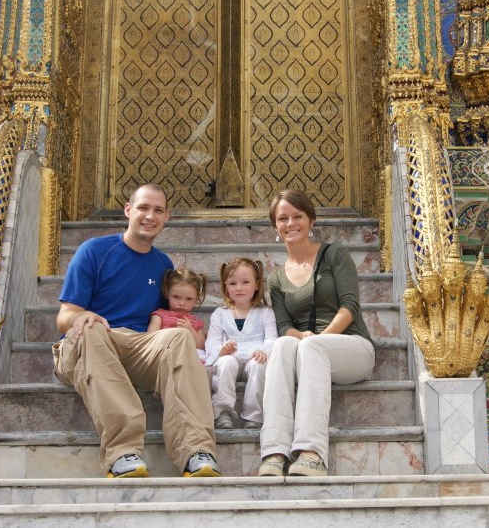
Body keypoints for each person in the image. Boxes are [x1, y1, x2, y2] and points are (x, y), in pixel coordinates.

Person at [53, 183, 221, 479]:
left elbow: (168, 318)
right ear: (128, 210)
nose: (150, 216)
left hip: (137, 345)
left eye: (158, 210)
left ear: (167, 217)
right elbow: (64, 317)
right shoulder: (95, 250)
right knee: (92, 328)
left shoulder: (163, 264)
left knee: (179, 336)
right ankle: (122, 453)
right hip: (89, 343)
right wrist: (83, 315)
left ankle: (196, 451)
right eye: (143, 208)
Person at [258, 189, 375, 477]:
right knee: (282, 345)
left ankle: (311, 453)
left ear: (311, 220)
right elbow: (284, 326)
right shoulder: (276, 278)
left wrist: (318, 339)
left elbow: (350, 306)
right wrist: (303, 339)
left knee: (311, 347)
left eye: (297, 216)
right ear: (275, 225)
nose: (290, 223)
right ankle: (274, 452)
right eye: (282, 218)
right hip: (308, 351)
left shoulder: (334, 253)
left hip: (351, 347)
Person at [205, 258, 278, 429]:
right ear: (225, 286)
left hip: (254, 358)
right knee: (225, 363)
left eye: (245, 282)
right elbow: (212, 340)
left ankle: (254, 416)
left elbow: (272, 338)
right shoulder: (220, 313)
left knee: (259, 365)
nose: (238, 288)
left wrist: (264, 351)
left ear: (257, 284)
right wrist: (221, 350)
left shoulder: (265, 313)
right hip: (232, 358)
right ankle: (223, 412)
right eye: (232, 283)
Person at [147, 267, 207, 351]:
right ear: (167, 293)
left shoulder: (196, 322)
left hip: (188, 356)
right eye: (176, 297)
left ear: (196, 300)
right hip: (165, 353)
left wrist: (191, 331)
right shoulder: (159, 316)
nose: (182, 303)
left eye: (189, 299)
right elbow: (151, 340)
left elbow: (201, 347)